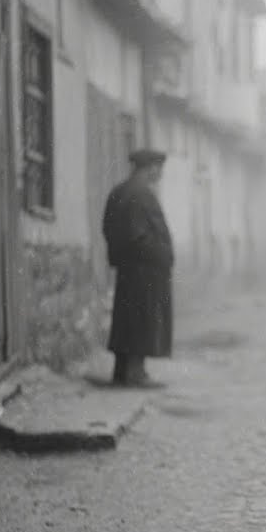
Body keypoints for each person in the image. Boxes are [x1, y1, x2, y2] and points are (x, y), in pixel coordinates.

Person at [102, 149, 174, 388]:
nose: (160, 173)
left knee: (128, 320)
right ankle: (135, 373)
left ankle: (122, 371)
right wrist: (162, 256)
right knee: (141, 321)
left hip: (129, 268)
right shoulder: (141, 194)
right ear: (149, 168)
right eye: (158, 168)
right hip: (145, 269)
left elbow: (108, 229)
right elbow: (138, 236)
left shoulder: (119, 191)